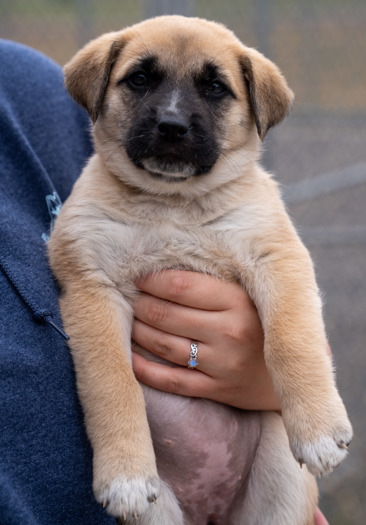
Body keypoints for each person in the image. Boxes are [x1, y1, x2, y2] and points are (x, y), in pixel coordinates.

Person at [0, 39, 328, 524]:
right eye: (140, 81)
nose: (173, 115)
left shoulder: (26, 94)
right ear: (100, 93)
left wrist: (282, 382)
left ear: (257, 112)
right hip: (146, 488)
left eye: (214, 88)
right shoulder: (94, 201)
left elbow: (285, 278)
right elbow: (90, 299)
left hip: (259, 460)